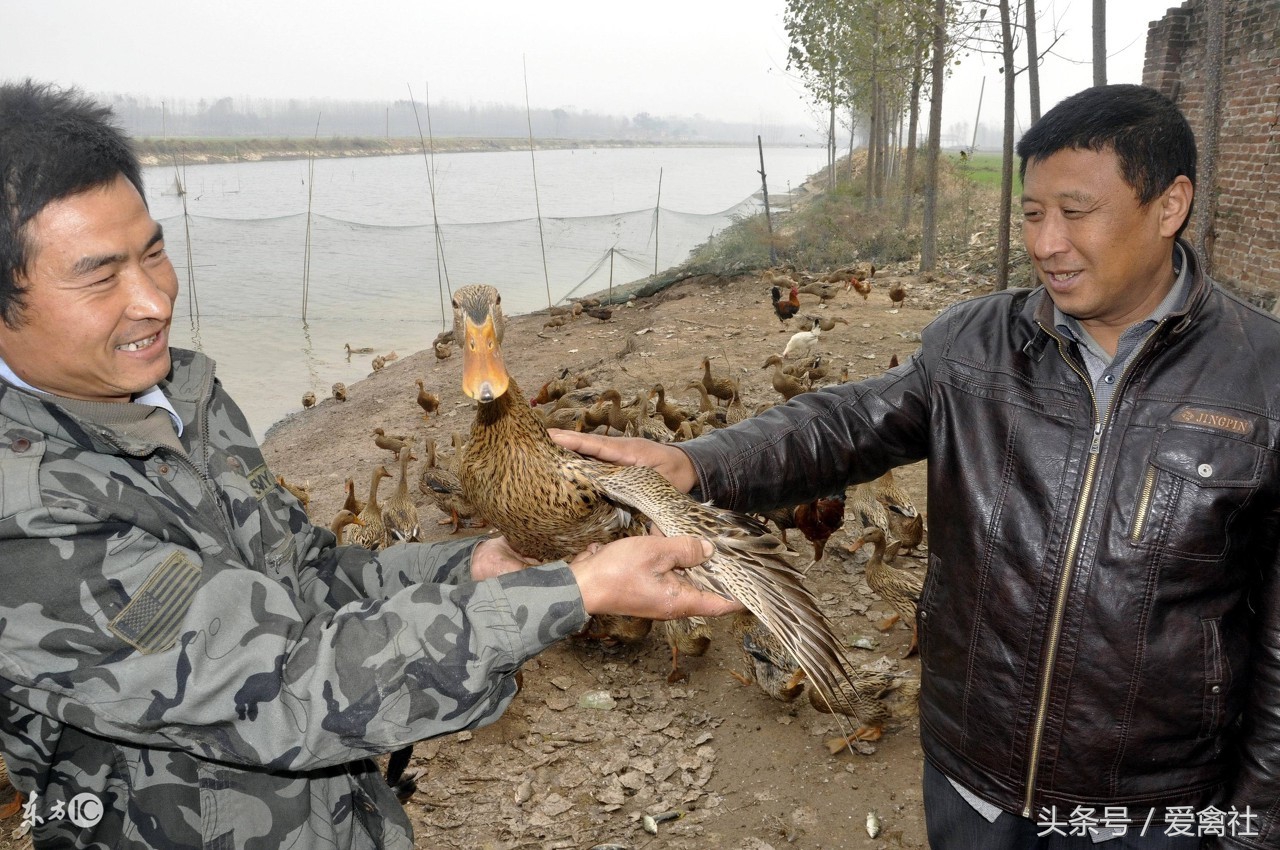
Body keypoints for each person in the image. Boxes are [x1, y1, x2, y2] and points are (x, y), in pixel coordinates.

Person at [0, 79, 738, 849]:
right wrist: (568, 593)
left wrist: (470, 568)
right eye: (99, 276)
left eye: (153, 252)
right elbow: (279, 689)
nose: (154, 300)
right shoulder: (23, 518)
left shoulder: (187, 399)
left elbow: (305, 576)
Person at [557, 84, 1280, 850]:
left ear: (1169, 206)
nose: (1046, 243)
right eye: (1033, 214)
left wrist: (1255, 826)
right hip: (973, 782)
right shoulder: (974, 346)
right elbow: (846, 422)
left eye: (1075, 212)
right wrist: (690, 463)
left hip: (1148, 810)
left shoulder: (1263, 382)